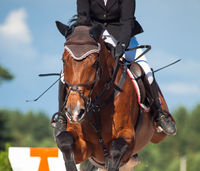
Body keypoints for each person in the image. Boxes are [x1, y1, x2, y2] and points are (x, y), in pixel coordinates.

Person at [54, 0, 176, 136]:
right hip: (94, 37)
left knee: (145, 70)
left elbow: (127, 20)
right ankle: (61, 117)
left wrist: (122, 45)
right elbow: (83, 19)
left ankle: (159, 114)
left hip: (122, 35)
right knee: (65, 75)